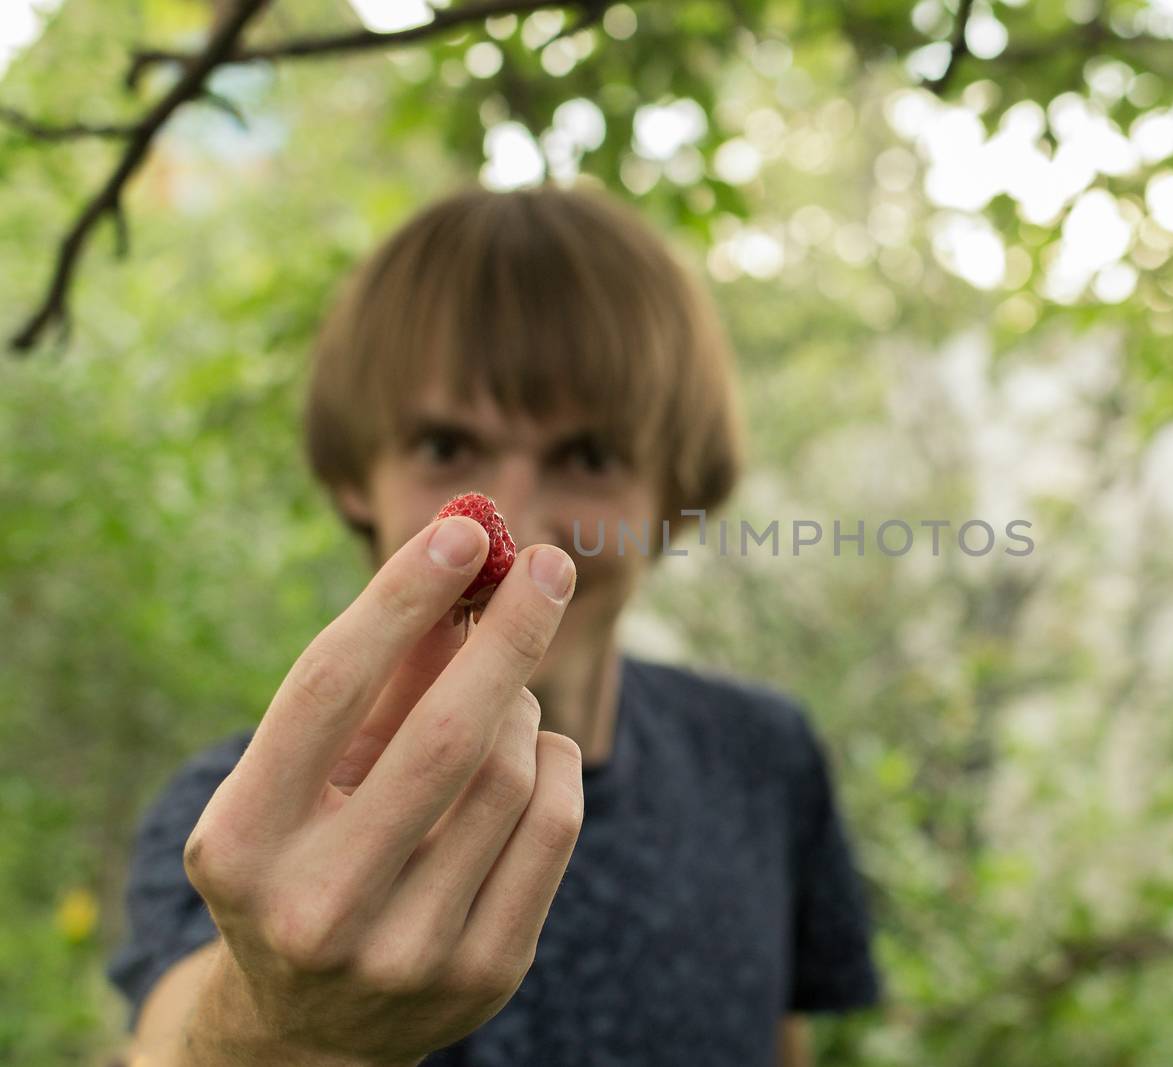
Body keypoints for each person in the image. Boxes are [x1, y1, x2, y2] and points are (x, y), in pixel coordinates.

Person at [105, 182, 883, 1066]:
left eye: (589, 457)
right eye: (446, 448)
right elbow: (172, 1035)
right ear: (357, 478)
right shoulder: (246, 816)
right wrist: (273, 1021)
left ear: (676, 495)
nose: (513, 525)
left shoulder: (762, 759)